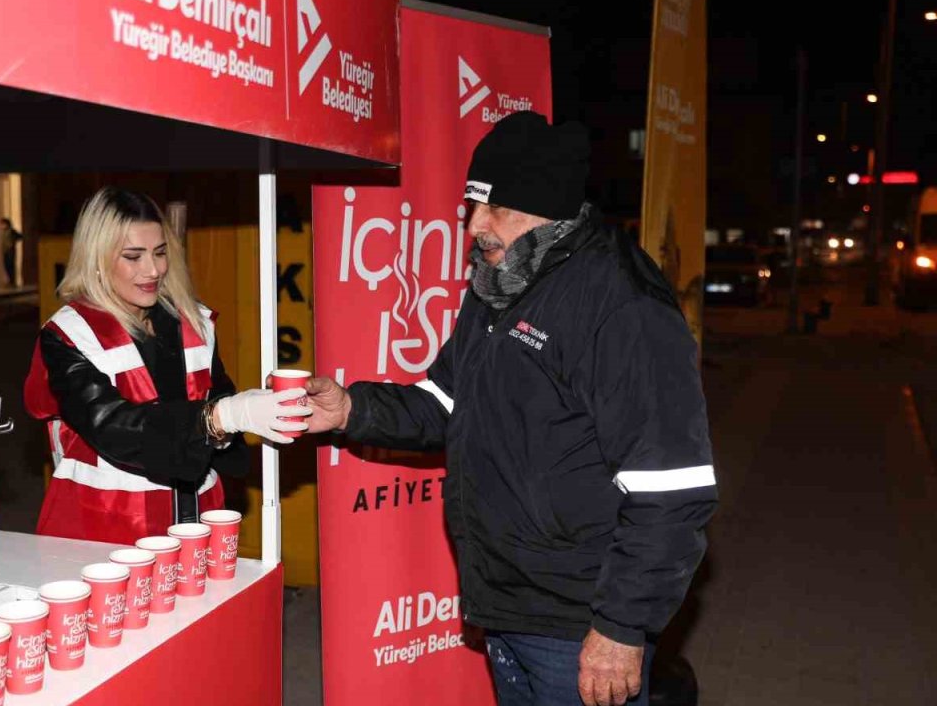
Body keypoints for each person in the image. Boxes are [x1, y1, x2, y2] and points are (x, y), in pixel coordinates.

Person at [303, 112, 718, 706]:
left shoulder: (621, 304)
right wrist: (349, 410)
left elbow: (672, 491)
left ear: (545, 207)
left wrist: (621, 630)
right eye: (472, 205)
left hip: (579, 624)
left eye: (493, 208)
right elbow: (445, 401)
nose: (475, 226)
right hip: (507, 605)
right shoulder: (501, 285)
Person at [24, 187, 308, 544]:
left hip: (196, 519)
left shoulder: (193, 320)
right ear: (96, 258)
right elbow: (113, 427)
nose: (154, 269)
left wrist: (254, 412)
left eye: (160, 253)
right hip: (103, 531)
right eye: (133, 256)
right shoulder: (68, 334)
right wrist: (221, 417)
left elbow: (219, 397)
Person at [1, 217, 23, 287]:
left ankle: (12, 282)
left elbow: (20, 236)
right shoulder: (4, 232)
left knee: (11, 266)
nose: (1, 226)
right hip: (5, 251)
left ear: (7, 224)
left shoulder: (12, 231)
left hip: (10, 251)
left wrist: (13, 242)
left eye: (3, 224)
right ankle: (10, 281)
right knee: (6, 266)